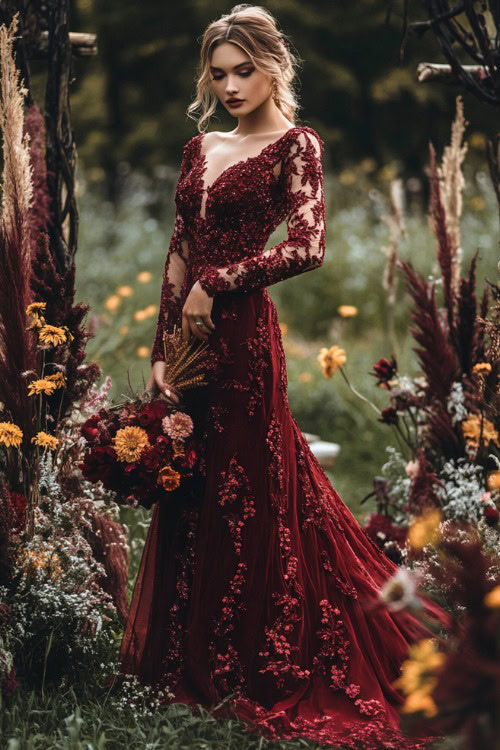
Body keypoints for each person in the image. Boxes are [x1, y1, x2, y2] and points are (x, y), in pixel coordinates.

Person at [120, 5, 448, 747]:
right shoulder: (199, 147)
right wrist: (159, 347)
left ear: (275, 66)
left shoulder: (298, 145)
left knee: (249, 486)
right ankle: (188, 655)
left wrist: (220, 282)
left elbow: (309, 246)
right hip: (191, 341)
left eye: (245, 70)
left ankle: (255, 656)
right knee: (191, 480)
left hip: (241, 340)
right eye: (220, 73)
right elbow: (178, 245)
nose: (232, 85)